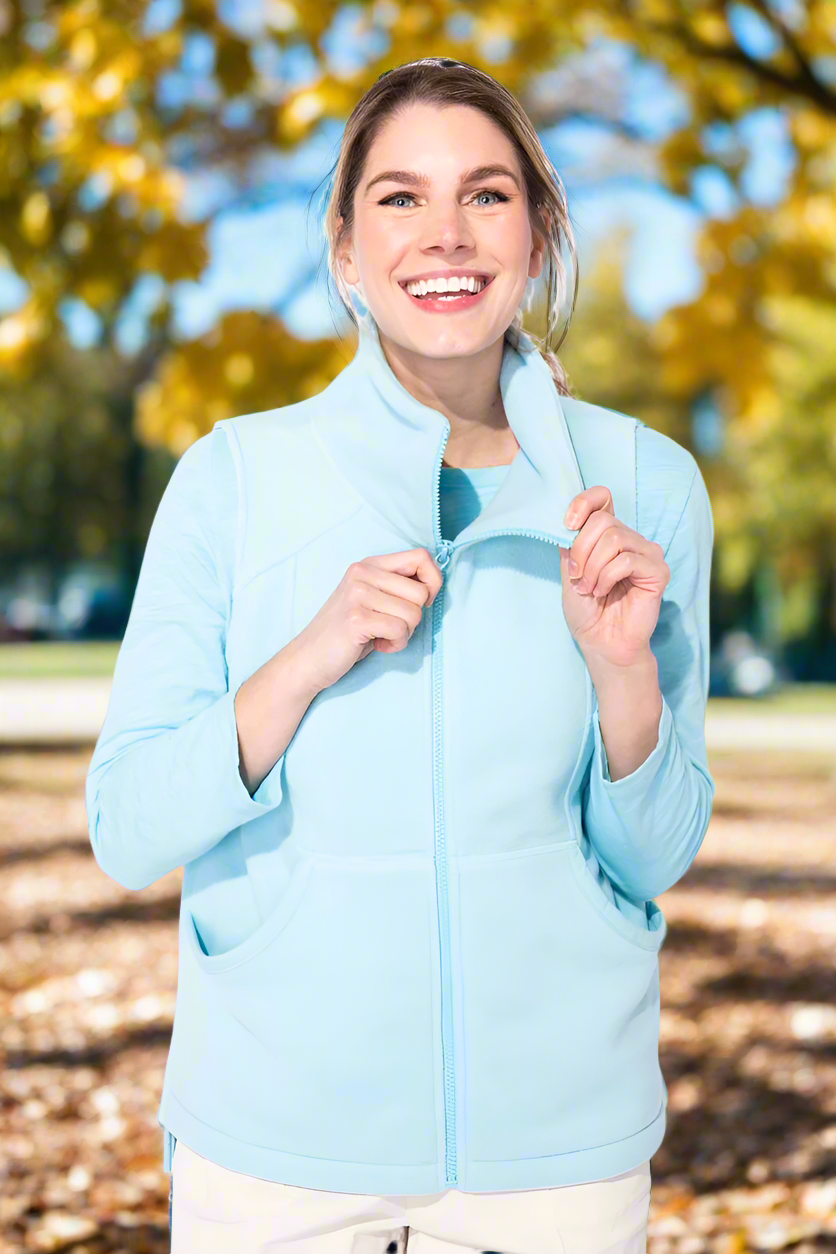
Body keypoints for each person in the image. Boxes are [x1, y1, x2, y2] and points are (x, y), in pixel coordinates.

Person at [85, 56, 715, 1254]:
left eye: (485, 195)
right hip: (277, 1152)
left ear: (536, 234)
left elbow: (656, 850)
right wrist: (307, 656)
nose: (446, 235)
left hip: (557, 1158)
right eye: (398, 197)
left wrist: (620, 669)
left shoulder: (640, 487)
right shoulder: (232, 478)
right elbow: (126, 825)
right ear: (342, 246)